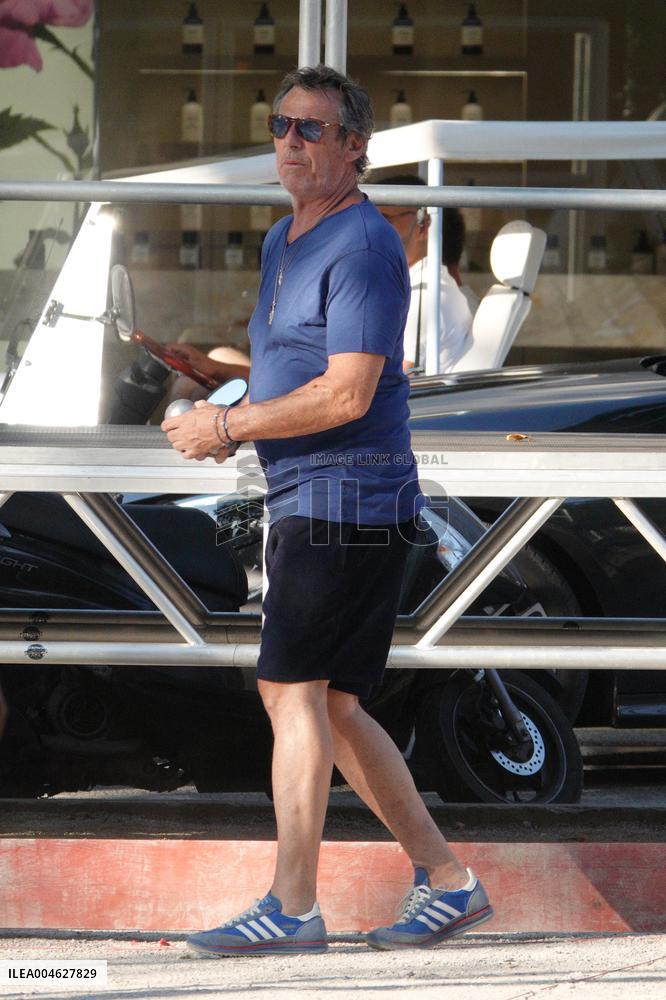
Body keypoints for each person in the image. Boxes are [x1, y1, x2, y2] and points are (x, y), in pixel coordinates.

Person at [162, 64, 493, 956]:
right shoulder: (285, 238)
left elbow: (348, 393)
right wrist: (218, 384)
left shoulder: (365, 247)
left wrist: (227, 423)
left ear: (355, 148)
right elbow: (311, 363)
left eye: (313, 129)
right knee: (336, 707)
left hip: (346, 498)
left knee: (292, 692)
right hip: (320, 497)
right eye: (281, 126)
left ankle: (292, 905)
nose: (291, 142)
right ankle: (452, 882)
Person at [376, 175, 474, 374]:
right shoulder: (417, 285)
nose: (371, 228)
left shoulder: (427, 294)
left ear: (422, 225)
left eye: (384, 219)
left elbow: (387, 381)